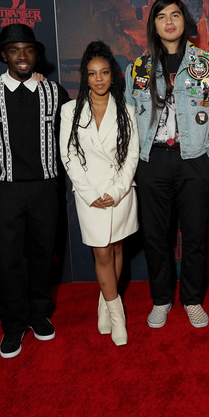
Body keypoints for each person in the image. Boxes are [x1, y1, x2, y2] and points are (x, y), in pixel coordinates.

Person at [125, 0, 209, 329]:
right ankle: (161, 299)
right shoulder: (137, 68)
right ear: (153, 25)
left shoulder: (206, 63)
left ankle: (193, 299)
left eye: (175, 15)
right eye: (161, 17)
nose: (169, 21)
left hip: (194, 160)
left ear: (185, 22)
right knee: (156, 236)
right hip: (152, 160)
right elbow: (127, 118)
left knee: (196, 235)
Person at [0, 23, 70, 358]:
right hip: (5, 190)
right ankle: (13, 324)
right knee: (9, 259)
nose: (22, 57)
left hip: (47, 187)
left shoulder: (55, 92)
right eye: (14, 50)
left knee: (45, 255)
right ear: (4, 55)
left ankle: (38, 314)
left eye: (28, 50)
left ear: (37, 55)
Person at [61, 41, 139, 346]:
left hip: (120, 192)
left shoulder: (127, 111)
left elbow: (132, 155)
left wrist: (117, 190)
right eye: (92, 73)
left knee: (118, 248)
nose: (99, 78)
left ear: (113, 75)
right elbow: (68, 155)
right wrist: (90, 192)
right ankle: (118, 314)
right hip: (89, 194)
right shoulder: (70, 110)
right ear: (85, 77)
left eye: (104, 72)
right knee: (102, 251)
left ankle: (105, 301)